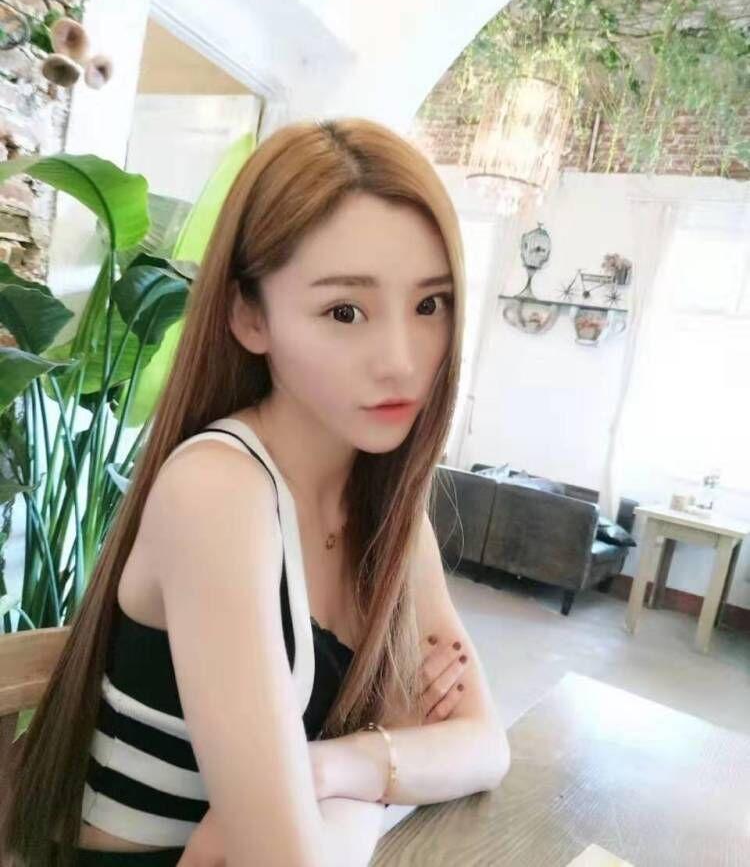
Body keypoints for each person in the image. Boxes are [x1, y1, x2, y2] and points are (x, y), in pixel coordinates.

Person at [0, 117, 510, 867]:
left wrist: (334, 771)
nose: (402, 361)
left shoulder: (390, 516)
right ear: (249, 315)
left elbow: (486, 746)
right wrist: (386, 776)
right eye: (345, 311)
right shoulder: (218, 492)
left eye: (429, 305)